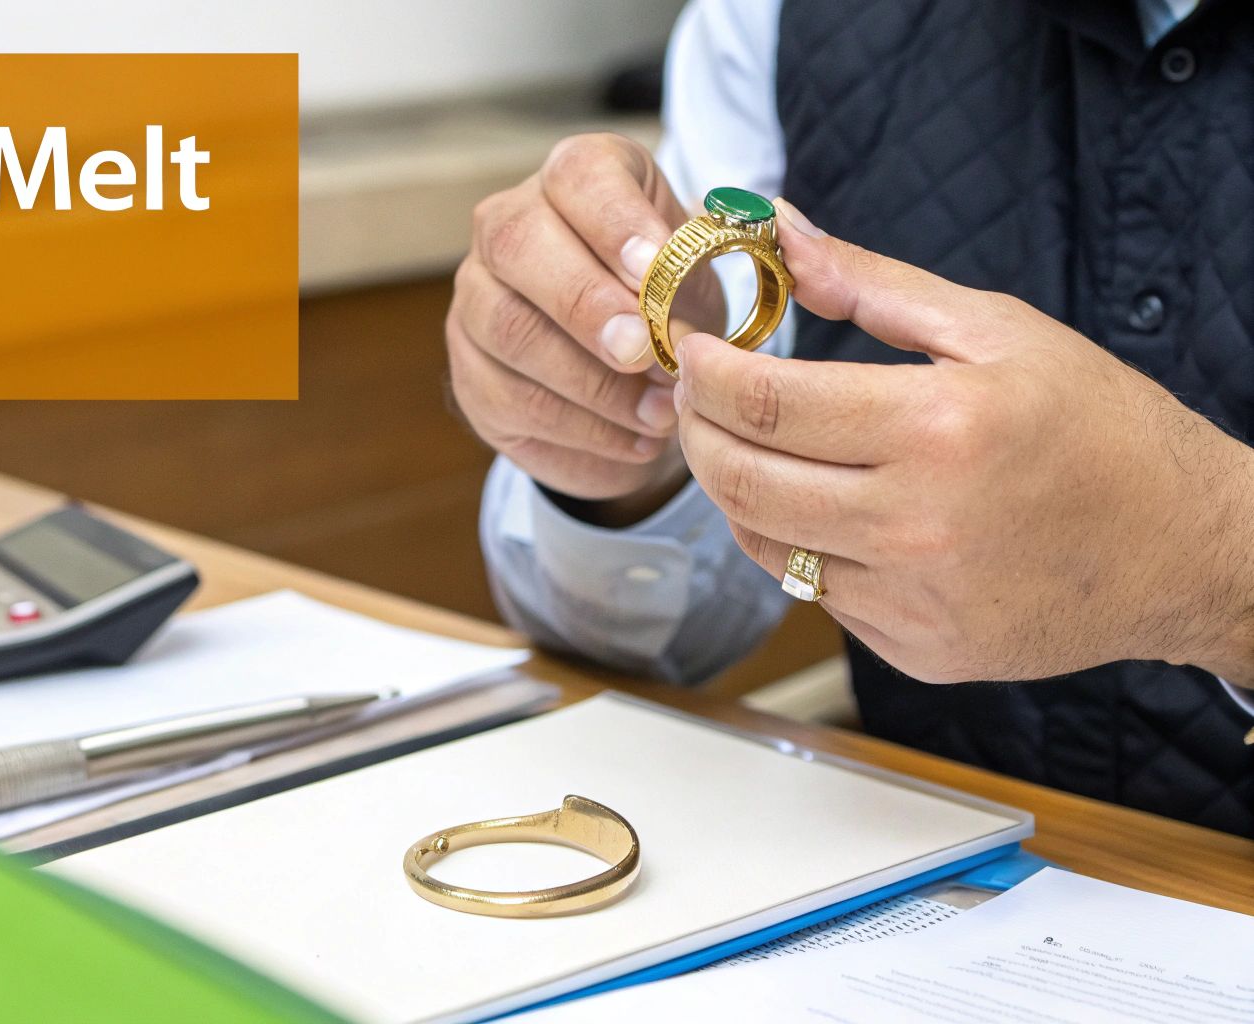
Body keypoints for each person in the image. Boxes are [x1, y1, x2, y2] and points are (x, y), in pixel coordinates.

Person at [448, 0, 1254, 837]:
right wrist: (631, 450)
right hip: (925, 884)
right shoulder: (770, 19)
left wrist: (1219, 564)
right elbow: (636, 638)